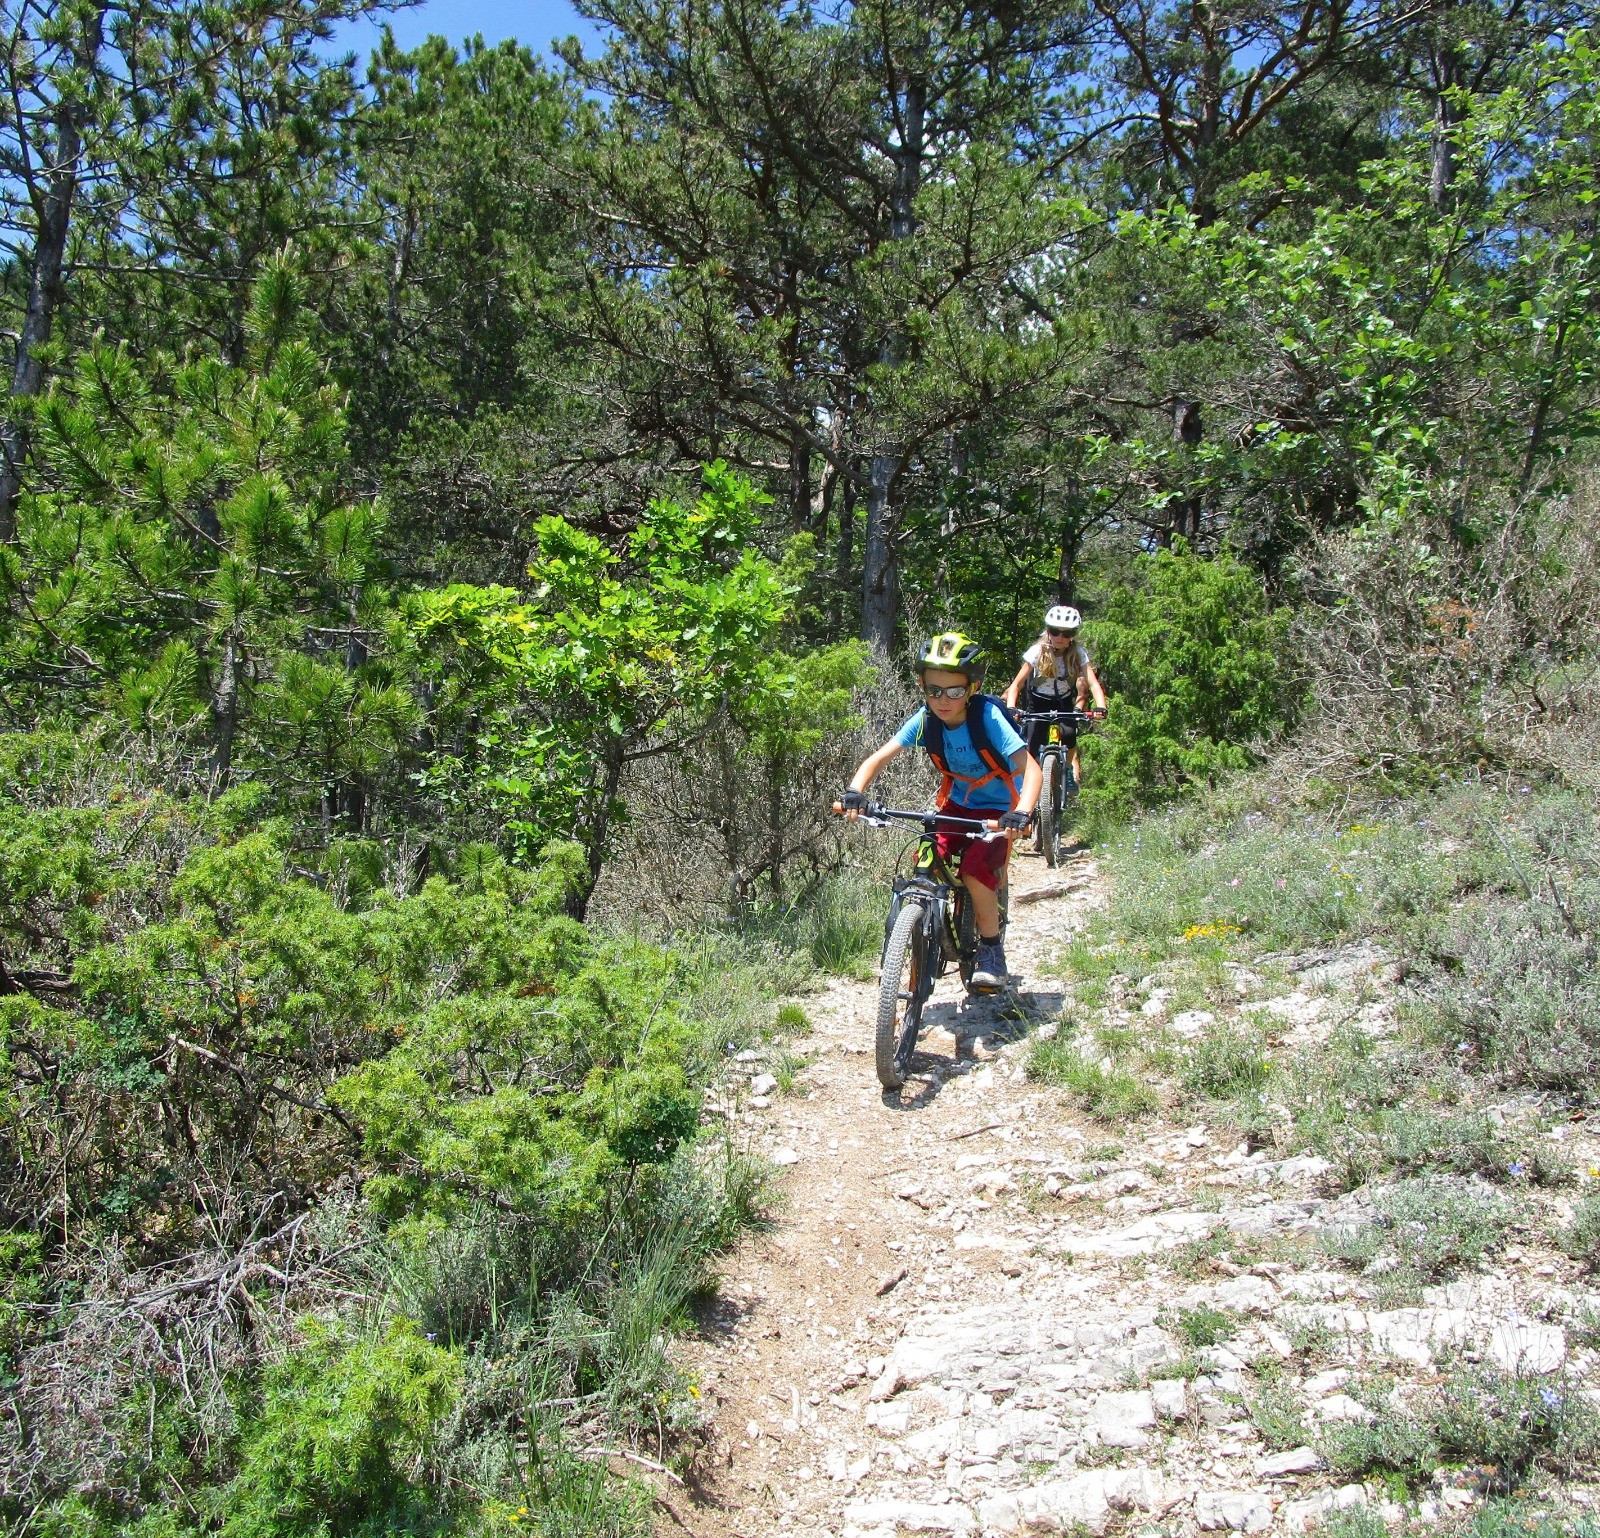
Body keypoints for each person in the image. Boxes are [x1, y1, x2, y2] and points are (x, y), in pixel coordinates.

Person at [841, 632, 1041, 991]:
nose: (943, 700)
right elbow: (879, 757)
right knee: (925, 853)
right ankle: (917, 930)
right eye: (934, 690)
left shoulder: (988, 717)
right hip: (958, 804)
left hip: (1000, 808)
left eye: (954, 691)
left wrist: (1023, 813)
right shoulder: (924, 720)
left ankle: (992, 951)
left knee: (975, 869)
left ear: (973, 687)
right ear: (922, 686)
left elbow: (1032, 770)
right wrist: (855, 791)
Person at [1003, 605, 1107, 795]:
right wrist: (1012, 708)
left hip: (1063, 702)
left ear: (1073, 635)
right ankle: (1027, 788)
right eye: (1055, 631)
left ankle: (1066, 772)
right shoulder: (1037, 651)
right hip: (1038, 702)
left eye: (1066, 633)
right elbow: (1017, 684)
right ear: (1048, 631)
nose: (1060, 637)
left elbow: (1092, 684)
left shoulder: (1078, 654)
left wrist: (1101, 706)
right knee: (1031, 746)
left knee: (1068, 734)